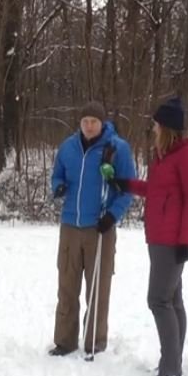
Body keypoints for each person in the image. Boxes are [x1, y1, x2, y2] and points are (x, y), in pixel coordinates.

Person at [110, 97, 188, 376]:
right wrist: (126, 184)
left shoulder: (187, 154)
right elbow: (158, 190)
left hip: (171, 240)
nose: (152, 128)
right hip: (160, 236)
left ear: (166, 127)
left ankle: (170, 369)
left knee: (159, 300)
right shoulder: (168, 153)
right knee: (172, 299)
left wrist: (185, 242)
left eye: (155, 124)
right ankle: (172, 362)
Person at [49, 101, 136, 357]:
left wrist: (113, 215)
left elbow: (127, 188)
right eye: (85, 121)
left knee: (98, 286)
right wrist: (59, 187)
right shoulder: (68, 147)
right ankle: (64, 340)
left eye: (93, 122)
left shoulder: (117, 148)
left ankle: (94, 341)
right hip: (70, 225)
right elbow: (57, 175)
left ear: (102, 123)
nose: (89, 126)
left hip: (100, 227)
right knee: (66, 283)